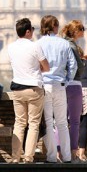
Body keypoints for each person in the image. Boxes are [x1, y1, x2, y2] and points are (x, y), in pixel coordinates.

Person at [8, 18, 50, 164]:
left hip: (17, 90)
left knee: (19, 123)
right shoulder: (35, 47)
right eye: (32, 29)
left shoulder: (10, 47)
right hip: (34, 89)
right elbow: (46, 67)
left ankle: (14, 157)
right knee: (33, 124)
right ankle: (28, 157)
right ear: (27, 31)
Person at [37, 15, 76, 163]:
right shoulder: (64, 44)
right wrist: (66, 81)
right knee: (62, 123)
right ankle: (66, 157)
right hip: (60, 86)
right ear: (54, 27)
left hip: (45, 86)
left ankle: (52, 157)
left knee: (48, 121)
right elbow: (73, 66)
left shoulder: (38, 44)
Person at [61, 20, 86, 162]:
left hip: (60, 85)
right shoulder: (72, 46)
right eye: (82, 29)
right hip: (74, 84)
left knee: (60, 121)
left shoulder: (60, 43)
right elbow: (78, 66)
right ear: (76, 31)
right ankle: (72, 153)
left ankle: (59, 153)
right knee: (75, 122)